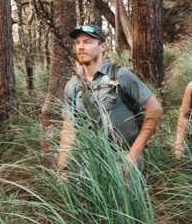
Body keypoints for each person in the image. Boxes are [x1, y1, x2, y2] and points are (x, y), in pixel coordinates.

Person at [57, 24, 163, 170]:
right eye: (77, 43)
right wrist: (62, 167)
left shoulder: (120, 75)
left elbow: (154, 109)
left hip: (123, 158)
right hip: (90, 161)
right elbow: (69, 127)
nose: (81, 47)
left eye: (87, 42)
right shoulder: (72, 85)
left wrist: (132, 156)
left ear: (102, 47)